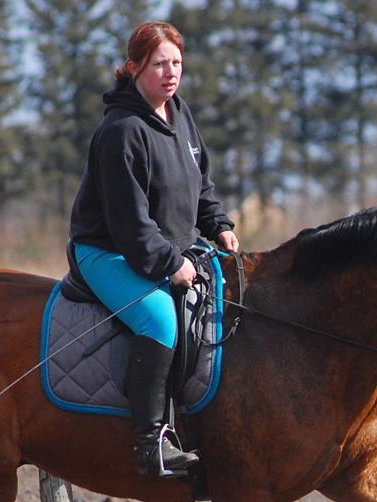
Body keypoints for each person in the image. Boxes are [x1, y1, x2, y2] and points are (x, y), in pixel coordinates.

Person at [69, 21, 239, 477]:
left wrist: (218, 225)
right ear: (133, 68)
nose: (171, 72)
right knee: (160, 318)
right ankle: (152, 443)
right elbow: (130, 224)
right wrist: (170, 265)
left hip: (170, 248)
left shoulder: (178, 114)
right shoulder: (121, 131)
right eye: (160, 63)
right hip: (109, 254)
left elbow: (201, 184)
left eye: (177, 63)